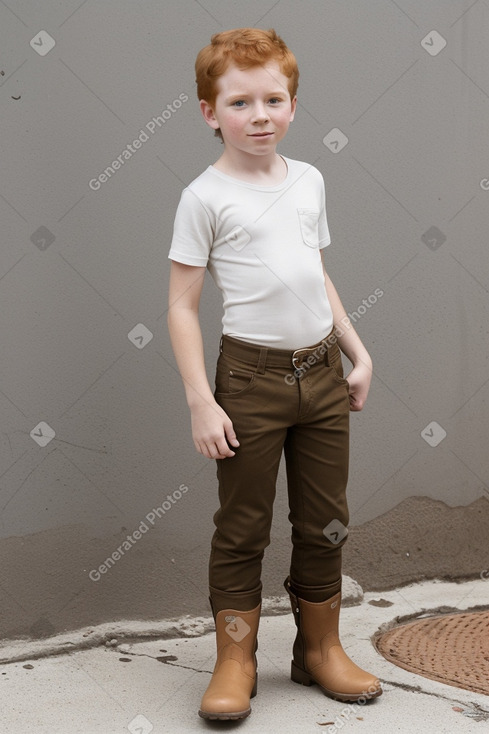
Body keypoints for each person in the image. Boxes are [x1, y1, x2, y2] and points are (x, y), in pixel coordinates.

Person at [167, 27, 382, 721]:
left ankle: (318, 650)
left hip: (320, 375)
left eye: (273, 99)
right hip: (249, 383)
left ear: (292, 104)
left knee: (325, 522)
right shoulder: (204, 197)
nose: (259, 115)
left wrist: (356, 350)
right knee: (243, 524)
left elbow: (314, 274)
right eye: (239, 103)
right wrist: (202, 400)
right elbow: (180, 306)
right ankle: (235, 659)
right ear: (209, 112)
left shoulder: (309, 180)